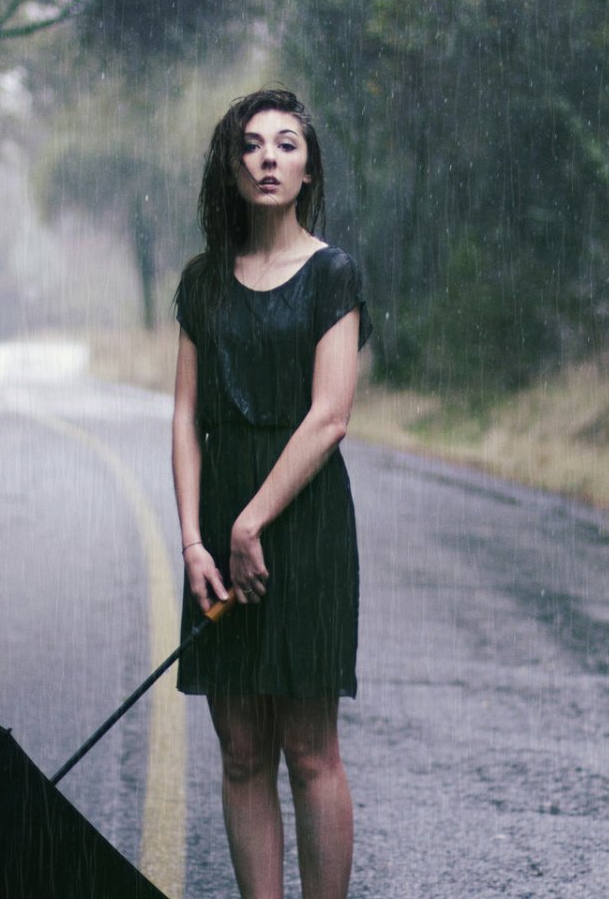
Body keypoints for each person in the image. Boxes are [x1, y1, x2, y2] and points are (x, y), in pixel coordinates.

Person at [172, 88, 370, 899]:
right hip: (219, 523)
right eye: (252, 145)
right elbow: (184, 417)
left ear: (308, 167)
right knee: (242, 748)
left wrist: (254, 520)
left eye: (286, 145)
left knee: (309, 748)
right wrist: (195, 541)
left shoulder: (332, 275)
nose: (267, 158)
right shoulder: (203, 282)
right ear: (231, 163)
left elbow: (330, 417)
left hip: (304, 521)